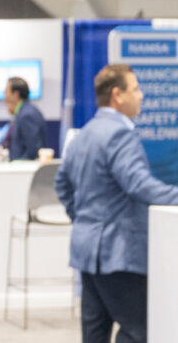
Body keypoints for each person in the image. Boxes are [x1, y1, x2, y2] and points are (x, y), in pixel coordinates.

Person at [55, 63, 178, 342]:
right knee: (140, 330)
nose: (141, 95)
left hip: (88, 251)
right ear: (117, 95)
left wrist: (84, 219)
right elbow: (139, 184)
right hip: (118, 253)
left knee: (95, 334)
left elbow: (61, 183)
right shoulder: (120, 134)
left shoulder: (83, 134)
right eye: (135, 89)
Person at [3, 76, 46, 161]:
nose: (4, 95)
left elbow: (33, 151)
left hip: (24, 171)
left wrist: (16, 165)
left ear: (15, 94)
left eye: (6, 91)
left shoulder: (27, 115)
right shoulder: (21, 112)